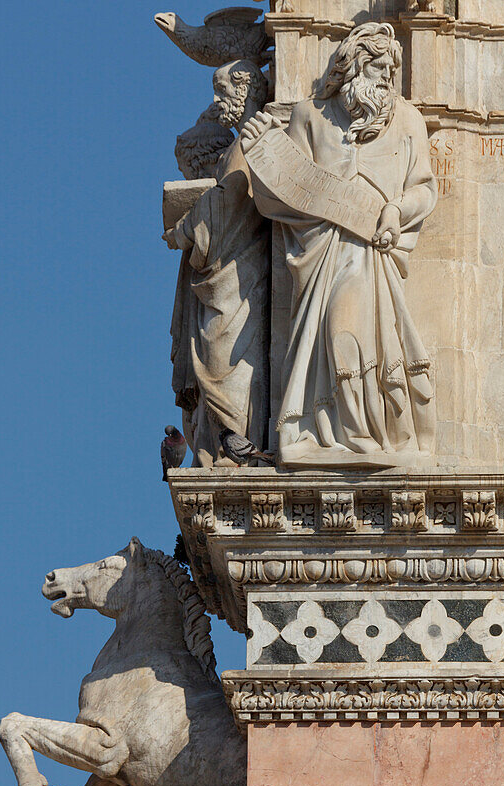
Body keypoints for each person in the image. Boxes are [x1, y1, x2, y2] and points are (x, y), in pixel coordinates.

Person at [242, 23, 437, 465]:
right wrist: (260, 151)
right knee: (336, 333)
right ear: (354, 65)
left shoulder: (407, 120)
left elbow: (424, 189)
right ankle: (338, 435)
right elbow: (283, 192)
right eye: (380, 65)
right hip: (323, 254)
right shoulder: (309, 116)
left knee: (364, 336)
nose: (388, 76)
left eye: (392, 69)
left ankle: (371, 434)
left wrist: (396, 211)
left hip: (373, 254)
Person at [164, 60, 271, 467]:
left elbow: (229, 198)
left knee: (226, 357)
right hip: (222, 268)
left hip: (237, 273)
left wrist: (185, 229)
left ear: (246, 91)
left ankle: (236, 443)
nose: (216, 100)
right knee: (218, 354)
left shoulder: (249, 143)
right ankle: (220, 445)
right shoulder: (238, 144)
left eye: (223, 91)